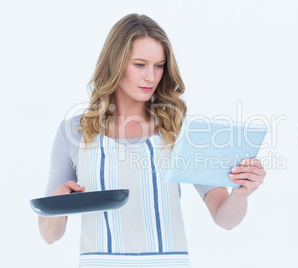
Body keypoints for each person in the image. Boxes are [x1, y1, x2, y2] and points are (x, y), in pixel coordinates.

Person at [38, 13, 266, 267]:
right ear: (115, 64)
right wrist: (58, 199)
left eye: (159, 66)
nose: (151, 77)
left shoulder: (180, 131)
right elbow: (49, 235)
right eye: (140, 65)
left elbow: (225, 219)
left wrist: (241, 193)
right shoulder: (74, 131)